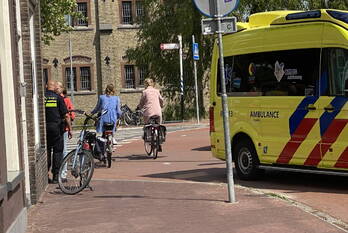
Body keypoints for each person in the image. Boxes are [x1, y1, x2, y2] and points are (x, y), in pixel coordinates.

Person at [45, 80, 72, 184]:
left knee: (47, 150)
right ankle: (56, 176)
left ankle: (46, 174)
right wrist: (69, 129)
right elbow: (66, 115)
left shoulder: (41, 97)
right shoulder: (59, 98)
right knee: (58, 152)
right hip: (57, 128)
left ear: (47, 86)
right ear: (54, 87)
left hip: (45, 128)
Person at [55, 82, 74, 159]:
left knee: (58, 148)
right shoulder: (66, 100)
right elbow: (71, 114)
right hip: (64, 127)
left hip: (56, 126)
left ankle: (60, 167)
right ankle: (64, 169)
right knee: (64, 147)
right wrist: (70, 128)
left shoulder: (55, 98)